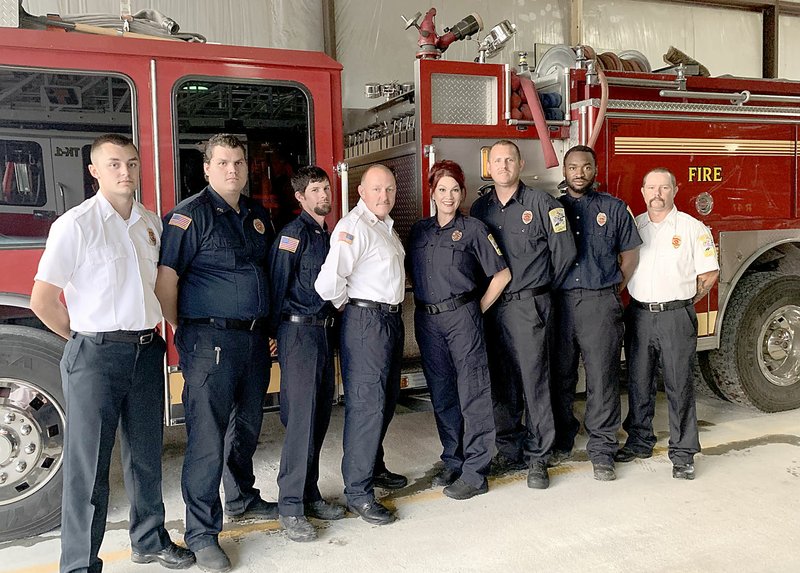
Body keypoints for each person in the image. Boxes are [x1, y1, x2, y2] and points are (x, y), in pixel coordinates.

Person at [30, 134, 194, 573]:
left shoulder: (150, 223)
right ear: (95, 171)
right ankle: (80, 564)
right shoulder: (75, 225)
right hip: (95, 355)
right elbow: (42, 301)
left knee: (145, 456)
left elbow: (159, 290)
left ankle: (149, 540)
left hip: (144, 352)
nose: (125, 171)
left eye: (132, 163)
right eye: (115, 163)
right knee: (88, 469)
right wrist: (82, 341)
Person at [155, 134, 275, 572]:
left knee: (245, 427)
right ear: (206, 168)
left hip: (252, 340)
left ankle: (241, 498)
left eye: (239, 162)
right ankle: (202, 533)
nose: (232, 170)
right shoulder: (189, 217)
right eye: (222, 162)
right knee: (207, 439)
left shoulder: (256, 216)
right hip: (210, 343)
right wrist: (183, 334)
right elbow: (166, 283)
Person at [470, 140, 576, 490]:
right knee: (502, 383)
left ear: (520, 163)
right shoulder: (480, 208)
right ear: (490, 167)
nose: (503, 166)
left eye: (509, 160)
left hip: (530, 305)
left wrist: (538, 292)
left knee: (535, 381)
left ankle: (538, 457)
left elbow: (563, 257)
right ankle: (510, 448)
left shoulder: (543, 204)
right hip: (493, 306)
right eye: (497, 161)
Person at [408, 160, 510, 500]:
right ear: (432, 193)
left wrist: (475, 310)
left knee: (473, 394)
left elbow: (502, 274)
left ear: (462, 193)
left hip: (463, 318)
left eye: (454, 189)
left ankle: (476, 471)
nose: (448, 196)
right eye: (442, 189)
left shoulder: (474, 229)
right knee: (443, 394)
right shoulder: (420, 231)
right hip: (427, 320)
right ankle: (453, 458)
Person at [314, 164, 406, 525]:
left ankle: (374, 466)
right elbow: (328, 284)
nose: (384, 196)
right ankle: (358, 492)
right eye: (377, 190)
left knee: (385, 401)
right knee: (367, 406)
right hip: (367, 322)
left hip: (389, 320)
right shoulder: (352, 228)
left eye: (390, 190)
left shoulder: (383, 226)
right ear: (361, 193)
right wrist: (349, 306)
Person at [616, 168, 719, 480]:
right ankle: (639, 440)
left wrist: (684, 301)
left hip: (676, 316)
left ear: (675, 190)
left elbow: (709, 274)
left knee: (678, 385)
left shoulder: (692, 228)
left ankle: (684, 452)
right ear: (644, 192)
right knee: (638, 381)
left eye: (663, 187)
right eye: (651, 188)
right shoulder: (635, 227)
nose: (657, 194)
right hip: (639, 314)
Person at [548, 145, 642, 481]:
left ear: (595, 169)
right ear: (564, 171)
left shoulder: (614, 209)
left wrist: (614, 290)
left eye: (585, 167)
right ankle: (561, 439)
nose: (579, 173)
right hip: (560, 303)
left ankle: (602, 449)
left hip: (600, 302)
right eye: (572, 167)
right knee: (560, 375)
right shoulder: (552, 209)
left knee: (602, 378)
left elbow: (630, 255)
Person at [267, 166, 346, 542]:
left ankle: (310, 494)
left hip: (322, 334)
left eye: (326, 188)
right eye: (315, 190)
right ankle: (291, 506)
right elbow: (277, 286)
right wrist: (273, 334)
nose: (323, 195)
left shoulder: (328, 236)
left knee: (318, 418)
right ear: (300, 197)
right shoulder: (292, 237)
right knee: (301, 421)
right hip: (297, 334)